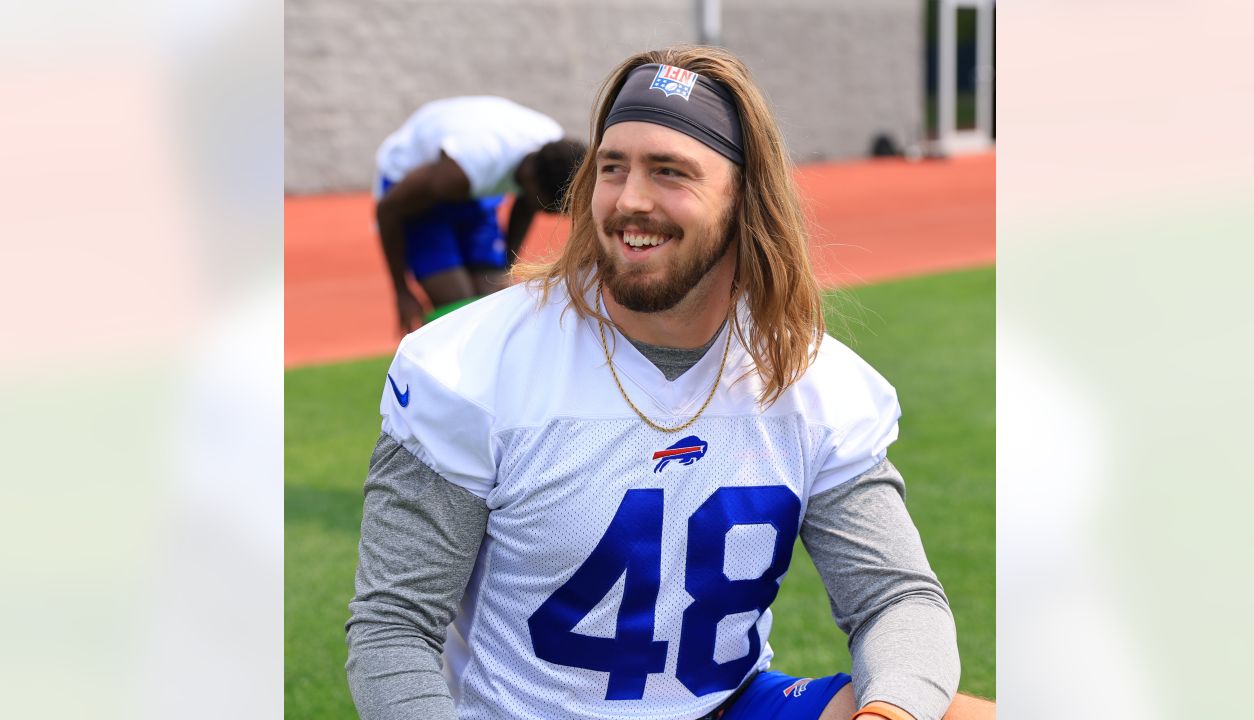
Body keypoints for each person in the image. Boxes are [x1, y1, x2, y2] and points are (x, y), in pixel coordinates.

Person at [347, 47, 996, 720]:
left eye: (669, 172)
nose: (630, 201)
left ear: (743, 195)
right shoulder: (471, 367)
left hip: (725, 704)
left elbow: (895, 597)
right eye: (612, 168)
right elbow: (394, 628)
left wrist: (888, 715)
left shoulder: (807, 376)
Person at [373, 96, 585, 334]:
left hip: (475, 189)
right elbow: (388, 209)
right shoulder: (460, 172)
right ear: (530, 182)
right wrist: (401, 291)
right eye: (549, 207)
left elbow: (527, 205)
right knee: (459, 310)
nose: (550, 214)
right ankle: (429, 351)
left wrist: (507, 267)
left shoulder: (552, 150)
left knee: (496, 306)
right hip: (419, 195)